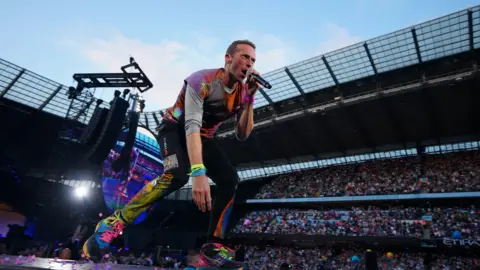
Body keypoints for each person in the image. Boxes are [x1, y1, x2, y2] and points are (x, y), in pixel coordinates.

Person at [83, 40, 260, 269]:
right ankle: (113, 223)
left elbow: (243, 134)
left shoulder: (243, 91)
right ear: (228, 58)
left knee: (229, 179)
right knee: (177, 175)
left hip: (202, 137)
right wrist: (199, 173)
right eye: (245, 57)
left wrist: (250, 100)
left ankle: (212, 248)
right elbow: (191, 126)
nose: (249, 63)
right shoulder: (202, 80)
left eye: (253, 60)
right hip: (175, 128)